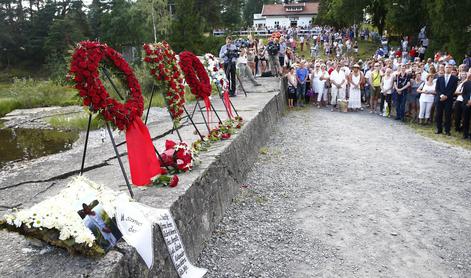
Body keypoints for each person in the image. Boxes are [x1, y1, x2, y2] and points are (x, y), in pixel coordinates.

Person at [434, 64, 459, 135]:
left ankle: (447, 130)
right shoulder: (440, 78)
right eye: (447, 67)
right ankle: (439, 129)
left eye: (449, 67)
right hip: (440, 99)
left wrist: (446, 96)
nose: (448, 68)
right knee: (439, 114)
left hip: (449, 99)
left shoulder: (455, 78)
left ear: (451, 69)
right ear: (444, 69)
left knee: (448, 115)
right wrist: (441, 95)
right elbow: (437, 89)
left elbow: (453, 89)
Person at [460, 72, 471, 139]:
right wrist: (467, 101)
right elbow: (463, 94)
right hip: (466, 104)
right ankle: (465, 134)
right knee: (465, 119)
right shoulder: (466, 83)